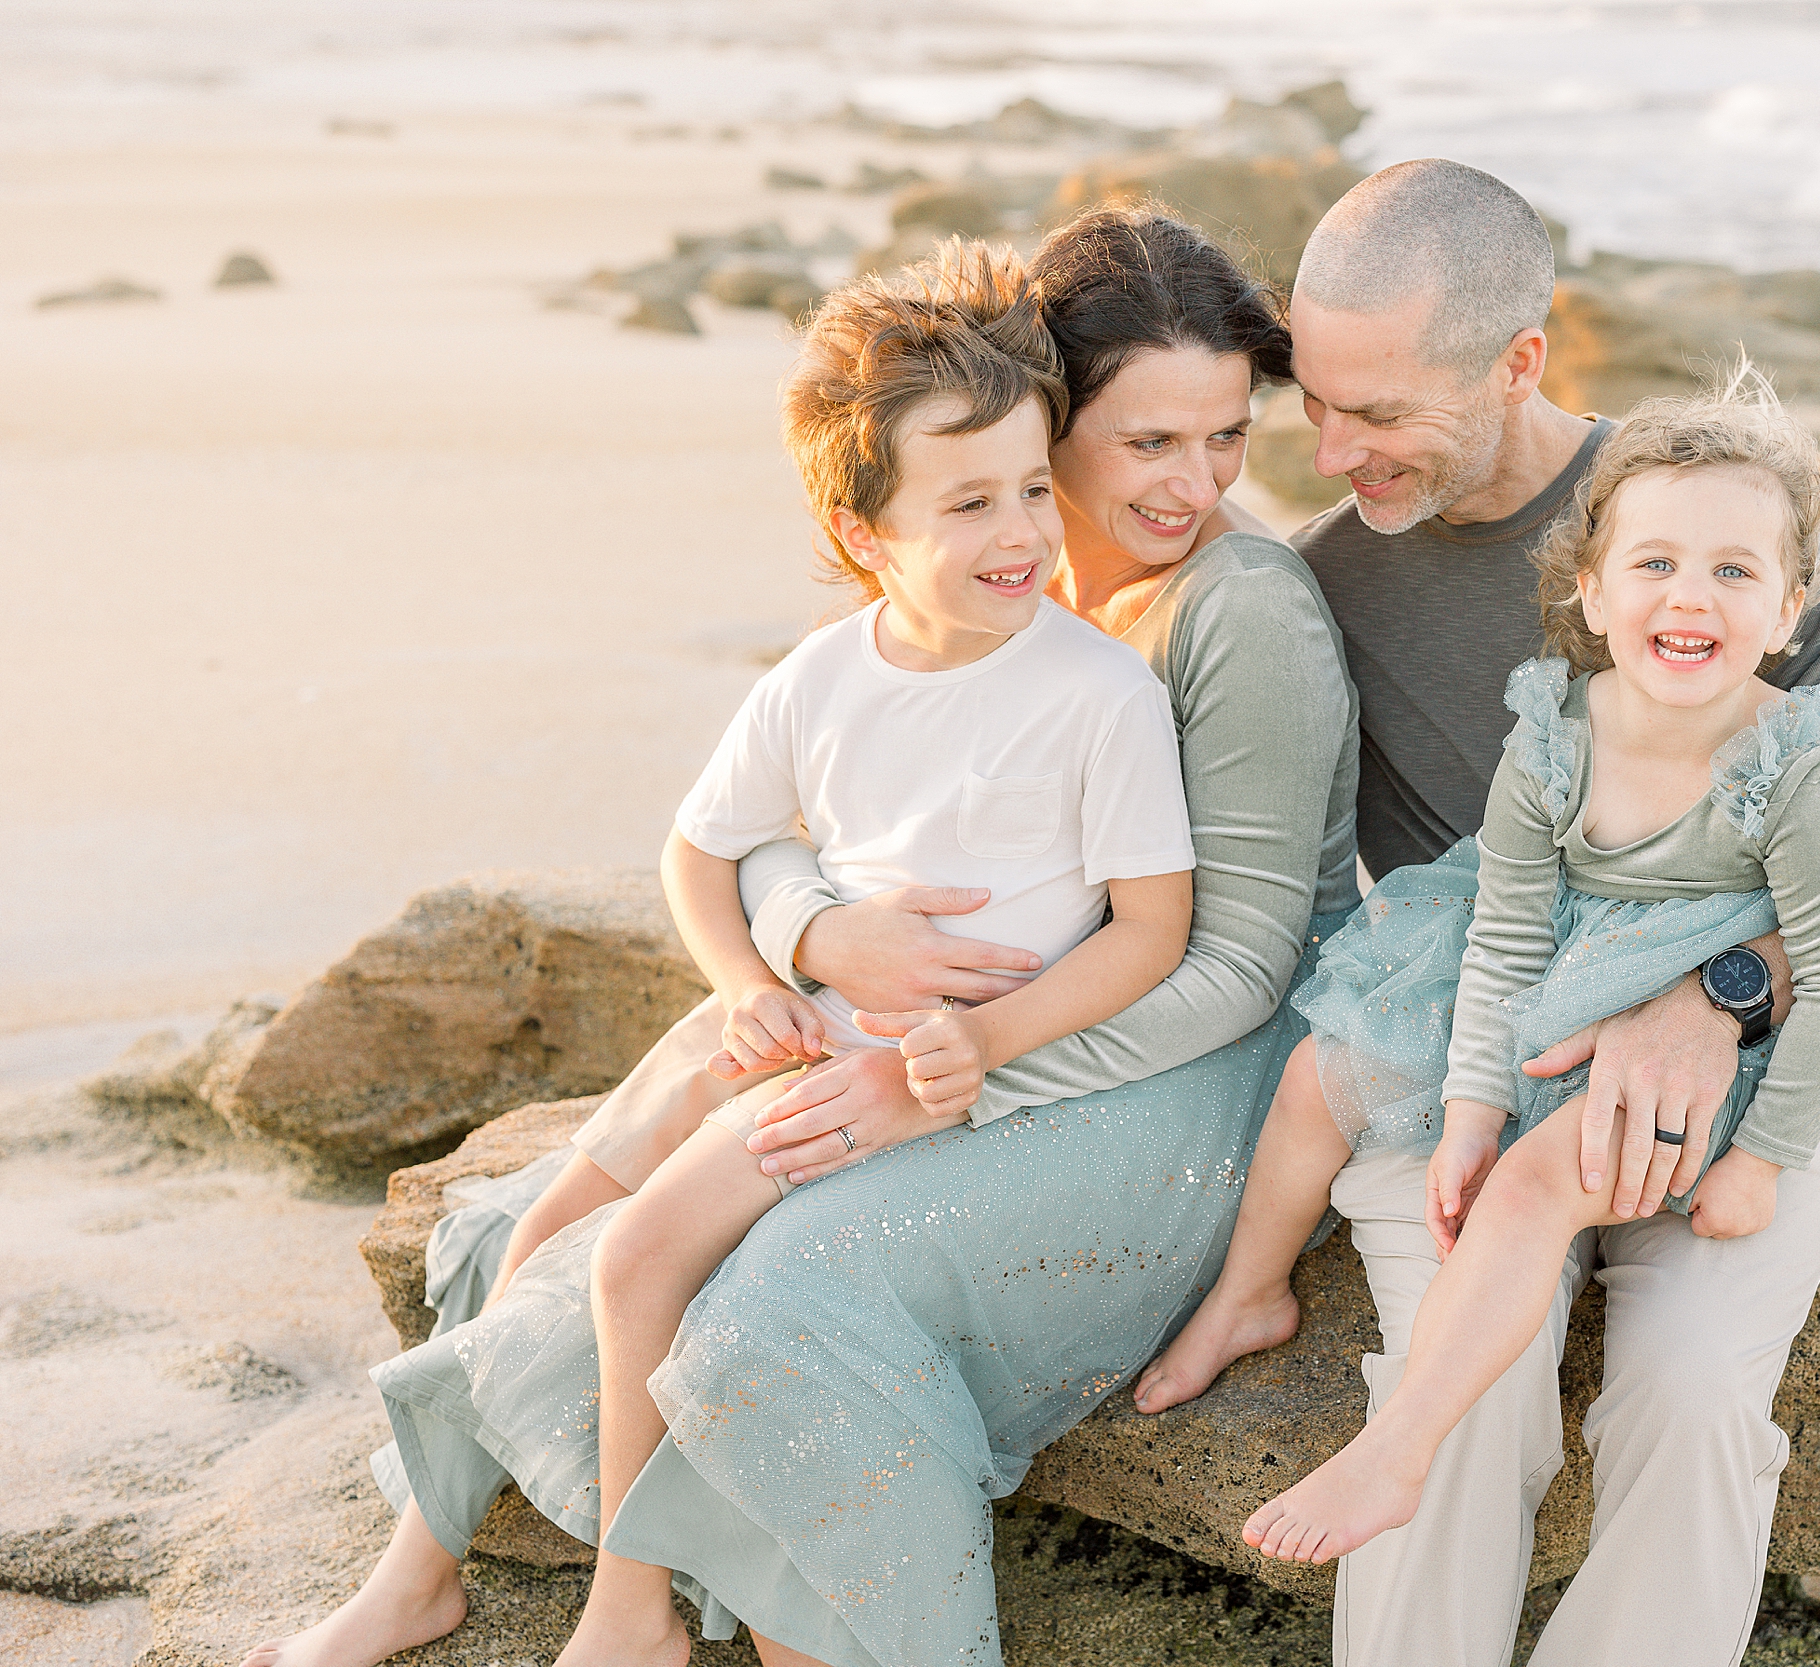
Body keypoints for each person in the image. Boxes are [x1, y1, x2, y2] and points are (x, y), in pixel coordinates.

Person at [239, 205, 1362, 1667]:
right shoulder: (989, 565)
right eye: (1153, 440)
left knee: (774, 1285)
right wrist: (818, 933)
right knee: (587, 1199)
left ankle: (710, 1605)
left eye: (1228, 437)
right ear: (1053, 416)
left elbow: (1226, 962)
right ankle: (428, 1556)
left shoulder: (1231, 610)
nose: (1201, 483)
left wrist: (933, 1073)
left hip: (1177, 1055)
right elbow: (773, 822)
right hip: (939, 1006)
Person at [1278, 160, 1820, 1666]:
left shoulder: (1681, 517)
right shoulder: (1321, 582)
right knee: (1451, 1403)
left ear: (1521, 361)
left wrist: (1726, 989)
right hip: (1469, 1063)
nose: (1341, 449)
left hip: (1727, 1062)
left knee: (1689, 1395)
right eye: (1315, 399)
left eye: (1386, 410)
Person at [1160, 370, 1820, 1567]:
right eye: (1653, 564)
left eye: (1733, 571)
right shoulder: (1555, 728)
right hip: (1547, 974)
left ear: (1790, 606)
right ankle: (1249, 1291)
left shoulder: (1787, 760)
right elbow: (1501, 922)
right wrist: (1470, 1104)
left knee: (1536, 1184)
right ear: (1590, 592)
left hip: (1686, 1023)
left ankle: (1399, 1447)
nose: (1688, 597)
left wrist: (1759, 1158)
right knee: (1324, 1074)